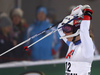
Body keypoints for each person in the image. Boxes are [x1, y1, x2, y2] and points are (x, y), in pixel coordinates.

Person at [58, 5, 95, 75]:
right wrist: (73, 15)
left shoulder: (86, 47)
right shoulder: (72, 44)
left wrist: (88, 13)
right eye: (64, 29)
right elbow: (59, 28)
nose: (64, 32)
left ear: (77, 30)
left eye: (67, 29)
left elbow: (84, 30)